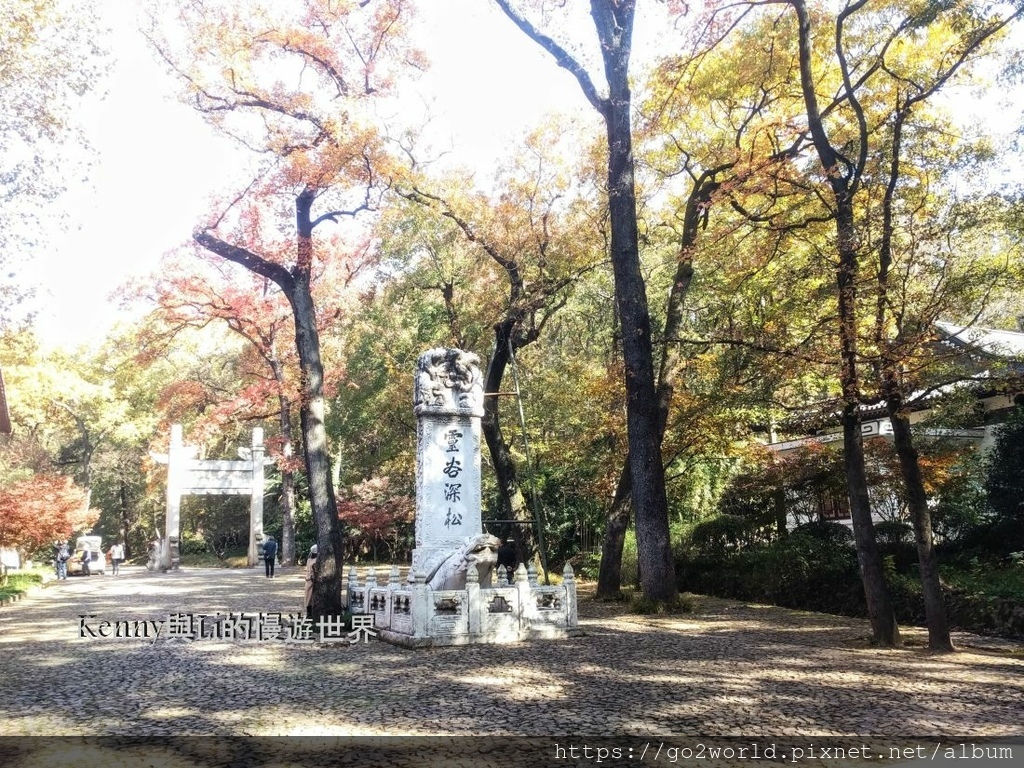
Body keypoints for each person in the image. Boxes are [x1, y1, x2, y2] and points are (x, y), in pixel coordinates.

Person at [304, 544, 318, 618]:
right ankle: (310, 614)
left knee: (308, 598)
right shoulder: (316, 561)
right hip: (312, 581)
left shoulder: (309, 560)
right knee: (310, 598)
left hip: (308, 580)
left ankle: (309, 614)